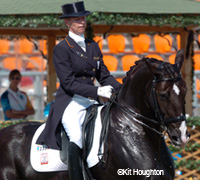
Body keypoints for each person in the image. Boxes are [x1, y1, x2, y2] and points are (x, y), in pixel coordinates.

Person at [36, 1, 121, 180]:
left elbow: (104, 76)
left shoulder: (93, 46)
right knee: (77, 136)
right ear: (67, 23)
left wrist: (122, 90)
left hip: (91, 100)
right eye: (76, 19)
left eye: (83, 18)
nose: (81, 22)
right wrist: (98, 92)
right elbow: (68, 83)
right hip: (71, 101)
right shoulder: (61, 49)